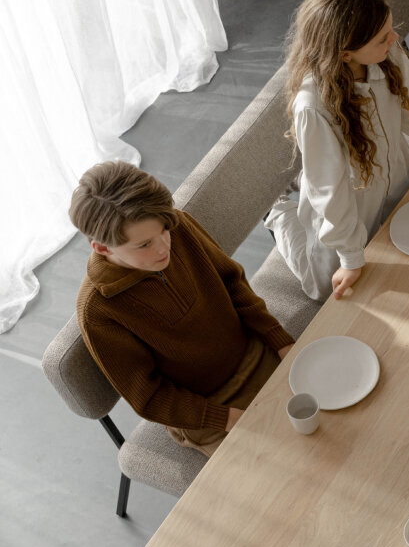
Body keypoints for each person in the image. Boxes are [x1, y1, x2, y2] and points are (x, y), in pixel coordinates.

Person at [266, 0, 409, 301]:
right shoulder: (314, 108)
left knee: (398, 240)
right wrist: (349, 258)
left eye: (389, 28)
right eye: (382, 37)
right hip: (343, 202)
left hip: (392, 181)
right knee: (320, 290)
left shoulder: (385, 53)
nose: (394, 37)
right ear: (345, 53)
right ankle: (277, 214)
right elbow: (330, 193)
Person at [71, 161, 295, 458]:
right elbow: (149, 398)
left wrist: (280, 340)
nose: (164, 246)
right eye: (144, 245)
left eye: (165, 230)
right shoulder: (99, 312)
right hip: (207, 412)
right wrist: (227, 418)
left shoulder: (178, 225)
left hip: (257, 355)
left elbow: (232, 283)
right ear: (102, 248)